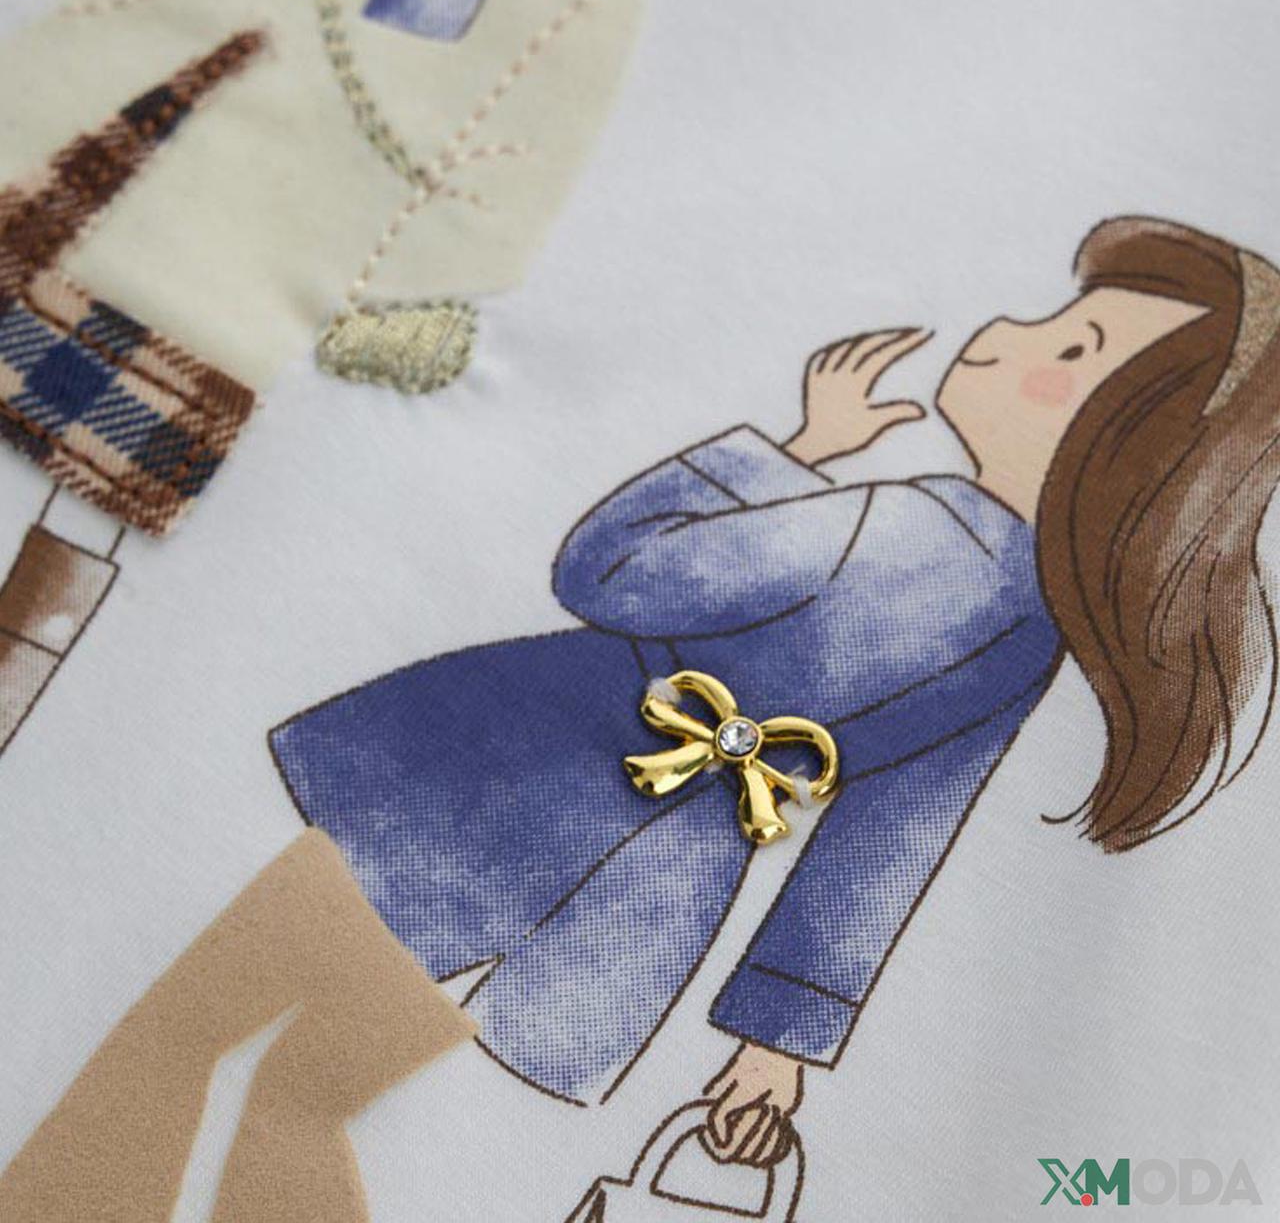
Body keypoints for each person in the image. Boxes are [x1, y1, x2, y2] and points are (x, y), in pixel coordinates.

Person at [4, 216, 1276, 1219]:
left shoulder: (892, 523)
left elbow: (608, 570)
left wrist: (790, 451)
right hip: (651, 887)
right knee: (309, 1098)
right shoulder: (1027, 636)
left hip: (490, 785)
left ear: (1126, 455)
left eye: (1071, 351)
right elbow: (886, 839)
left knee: (183, 1037)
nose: (1007, 331)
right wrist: (778, 1041)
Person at [0, 0, 725, 752]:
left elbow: (511, 182)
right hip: (35, 163)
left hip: (209, 286)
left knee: (66, 536)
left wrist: (365, 276)